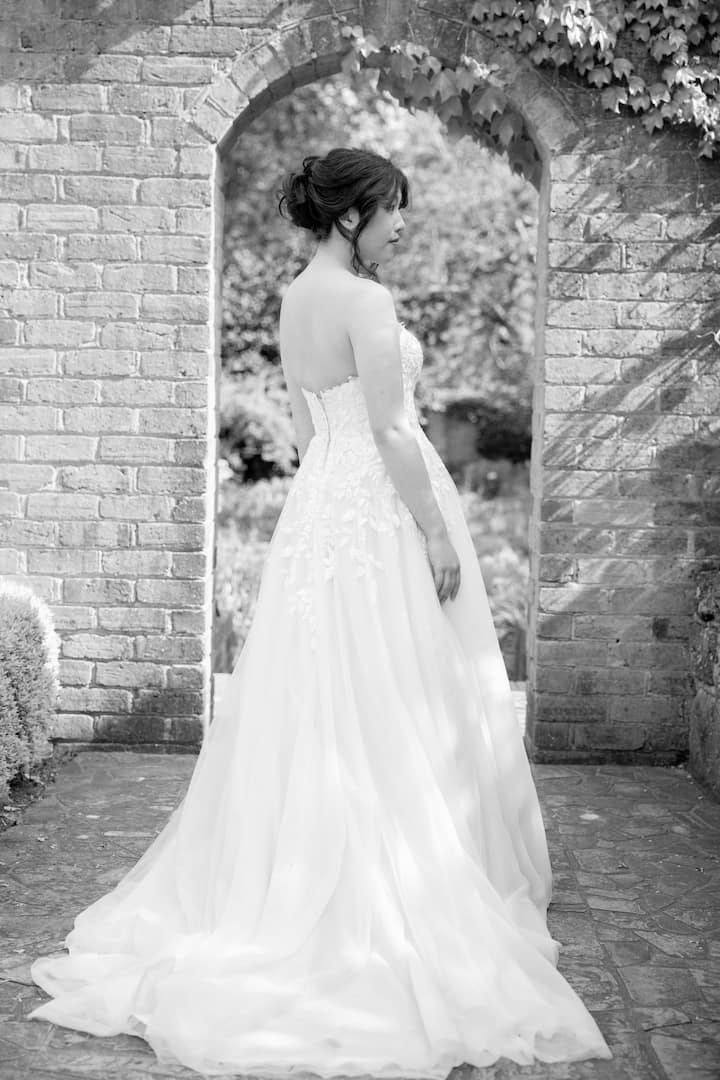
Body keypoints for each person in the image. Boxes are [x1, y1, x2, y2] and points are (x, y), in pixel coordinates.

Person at [29, 147, 612, 1076]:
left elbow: (310, 429)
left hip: (322, 506)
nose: (401, 226)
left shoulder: (296, 297)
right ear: (350, 216)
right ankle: (396, 877)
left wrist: (328, 502)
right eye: (391, 211)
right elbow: (391, 428)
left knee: (327, 683)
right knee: (399, 679)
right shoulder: (366, 303)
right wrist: (432, 530)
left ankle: (305, 860)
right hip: (380, 506)